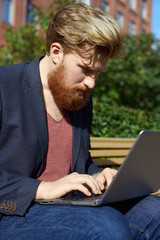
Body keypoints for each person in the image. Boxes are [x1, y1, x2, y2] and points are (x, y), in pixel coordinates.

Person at [0, 3, 160, 239]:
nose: (91, 83)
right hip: (13, 212)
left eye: (98, 72)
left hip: (66, 207)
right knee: (105, 226)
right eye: (85, 69)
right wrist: (41, 188)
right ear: (56, 52)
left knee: (154, 210)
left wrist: (99, 177)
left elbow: (79, 166)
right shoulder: (4, 85)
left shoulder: (79, 97)